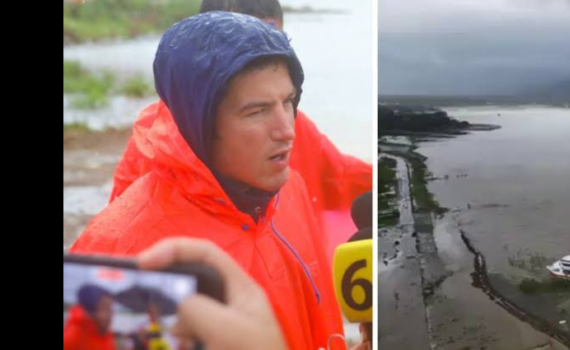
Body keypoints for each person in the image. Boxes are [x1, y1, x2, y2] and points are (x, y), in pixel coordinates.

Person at [71, 12, 344, 349]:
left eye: (288, 102)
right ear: (198, 123)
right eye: (256, 111)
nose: (287, 131)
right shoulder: (121, 250)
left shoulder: (292, 190)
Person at [108, 0, 372, 259]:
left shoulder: (294, 159)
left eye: (277, 40)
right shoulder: (152, 153)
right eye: (247, 45)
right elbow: (119, 231)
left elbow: (340, 175)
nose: (285, 131)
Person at [64, 285, 116, 350]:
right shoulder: (71, 339)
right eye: (105, 308)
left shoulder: (106, 334)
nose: (111, 314)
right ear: (89, 312)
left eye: (111, 308)